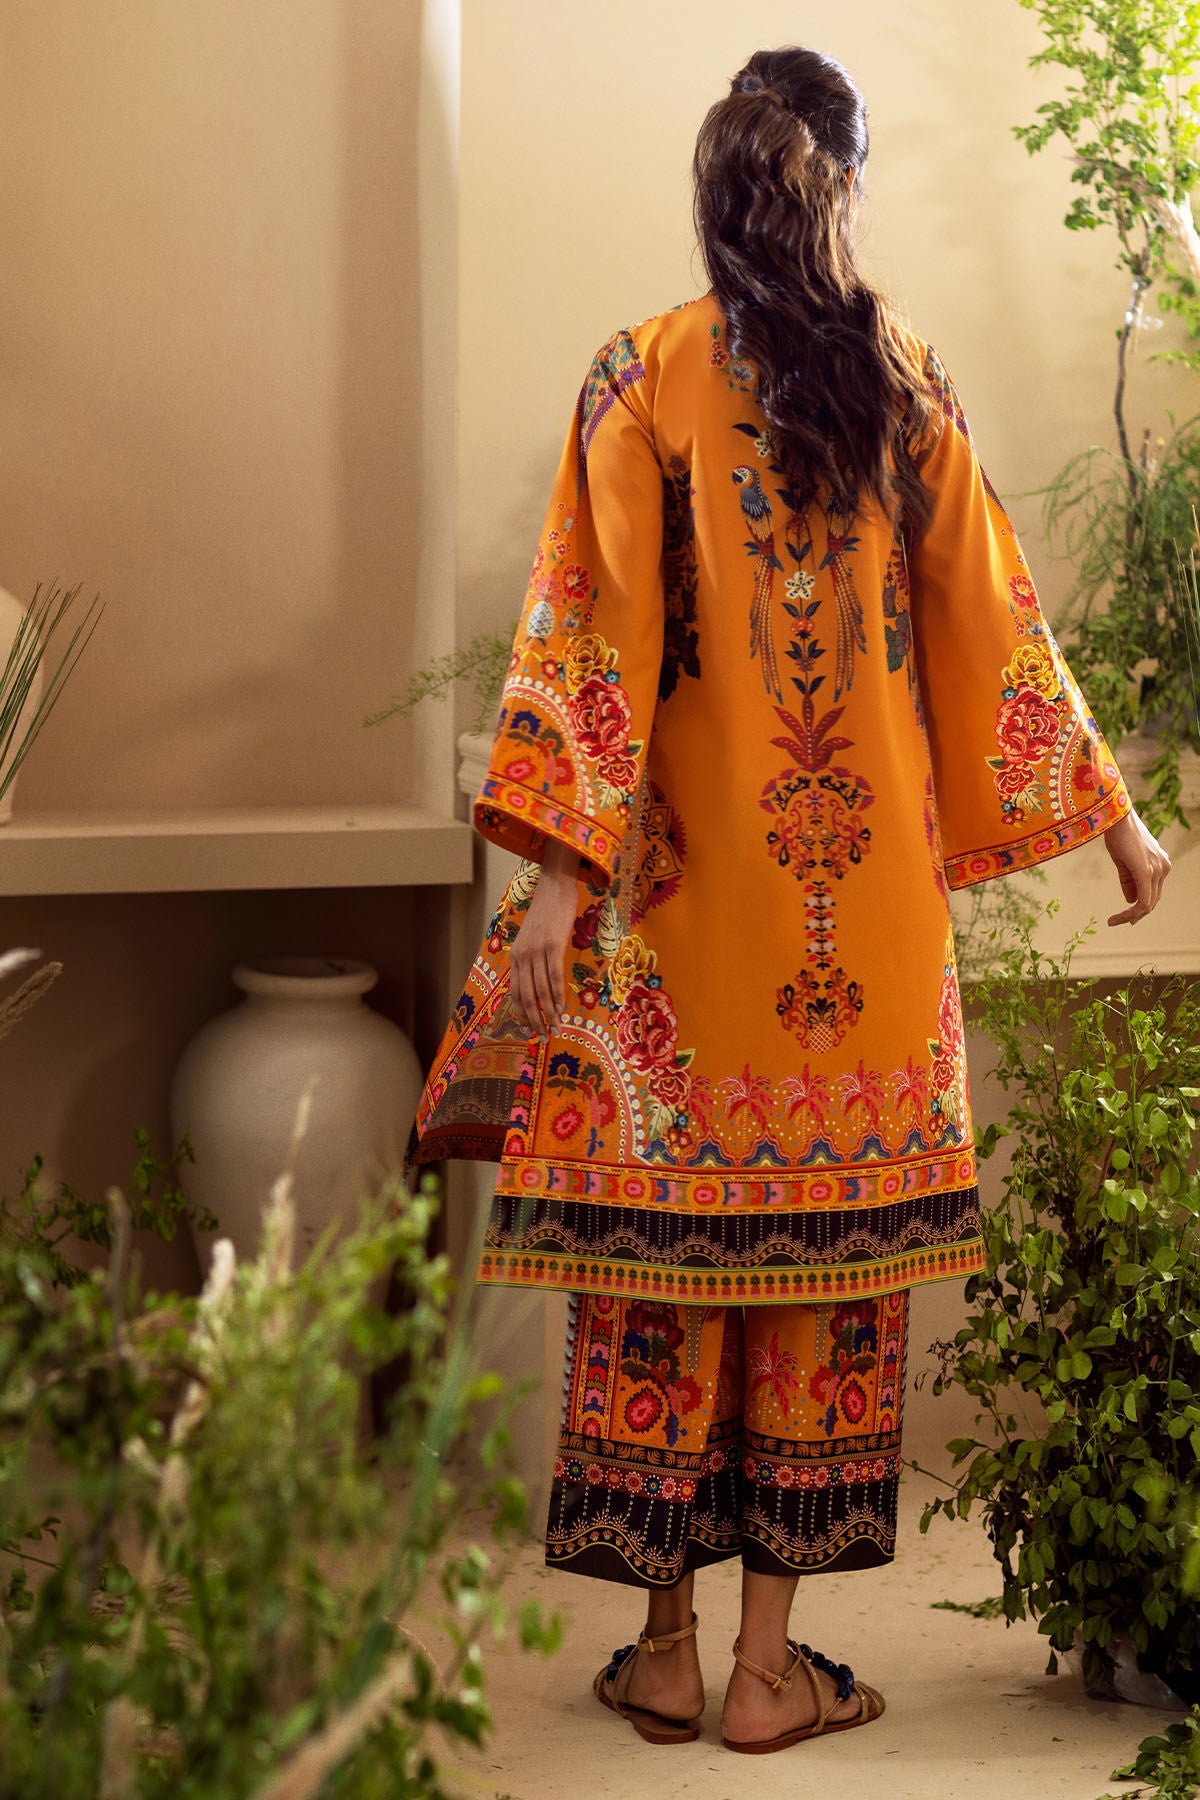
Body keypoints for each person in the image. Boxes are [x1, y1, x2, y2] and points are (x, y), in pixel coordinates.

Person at [410, 45, 1170, 1755]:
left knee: (661, 1274)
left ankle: (667, 1655)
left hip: (679, 923)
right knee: (825, 1285)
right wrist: (1116, 820)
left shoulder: (643, 375)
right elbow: (1001, 622)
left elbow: (593, 634)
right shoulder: (902, 376)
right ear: (848, 184)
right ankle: (771, 1674)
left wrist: (554, 889)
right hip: (865, 944)